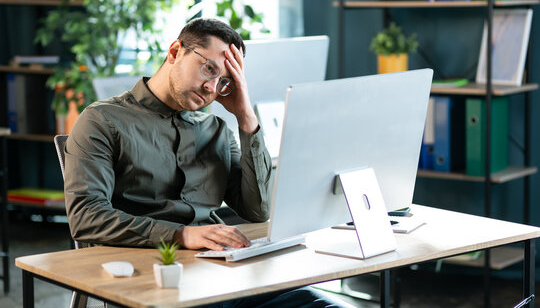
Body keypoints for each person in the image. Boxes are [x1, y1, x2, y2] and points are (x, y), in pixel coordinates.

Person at [64, 18, 348, 307]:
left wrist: (246, 118)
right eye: (209, 69)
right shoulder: (102, 120)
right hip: (158, 274)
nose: (212, 88)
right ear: (175, 52)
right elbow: (86, 216)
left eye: (225, 81)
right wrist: (181, 235)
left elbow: (257, 210)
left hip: (227, 272)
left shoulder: (217, 130)